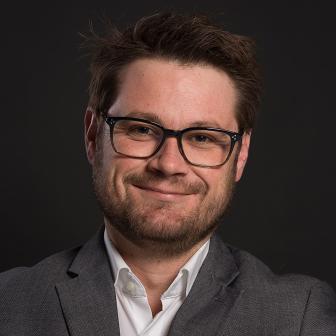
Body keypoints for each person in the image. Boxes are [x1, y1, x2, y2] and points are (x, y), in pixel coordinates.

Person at [1, 12, 335, 336]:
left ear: (241, 154)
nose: (168, 164)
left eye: (202, 137)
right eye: (142, 130)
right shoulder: (8, 305)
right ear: (92, 135)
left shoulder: (306, 317)